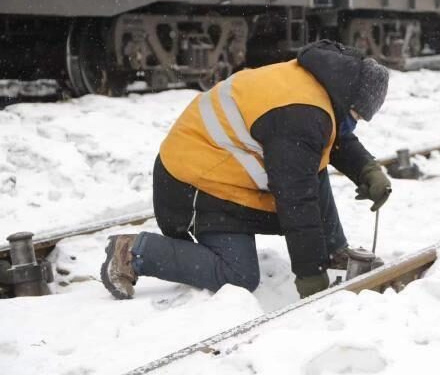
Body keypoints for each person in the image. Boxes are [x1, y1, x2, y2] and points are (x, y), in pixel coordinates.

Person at [100, 40, 392, 300]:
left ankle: (332, 250)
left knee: (311, 166)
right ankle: (133, 251)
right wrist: (310, 275)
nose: (354, 124)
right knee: (240, 276)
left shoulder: (318, 84)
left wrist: (368, 170)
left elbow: (329, 137)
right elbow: (296, 200)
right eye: (355, 116)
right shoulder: (301, 116)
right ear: (346, 101)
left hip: (216, 171)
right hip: (193, 187)